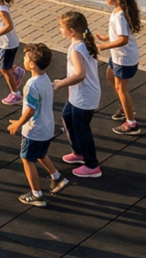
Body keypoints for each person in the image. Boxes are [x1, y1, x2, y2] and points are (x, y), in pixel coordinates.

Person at [6, 43, 70, 207]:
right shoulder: (45, 78)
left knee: (27, 159)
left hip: (34, 130)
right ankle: (56, 177)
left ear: (32, 64)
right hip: (46, 128)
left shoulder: (31, 85)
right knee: (40, 153)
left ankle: (37, 194)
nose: (24, 59)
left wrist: (18, 124)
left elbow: (31, 109)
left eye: (26, 58)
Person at [53, 10, 102, 178]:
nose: (60, 29)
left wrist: (60, 83)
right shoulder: (80, 44)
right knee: (67, 117)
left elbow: (80, 74)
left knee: (82, 128)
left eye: (61, 27)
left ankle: (92, 165)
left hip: (84, 96)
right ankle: (79, 153)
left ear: (72, 31)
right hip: (78, 95)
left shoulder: (77, 48)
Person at [96, 0, 142, 136]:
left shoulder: (120, 15)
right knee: (110, 75)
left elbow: (123, 39)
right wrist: (105, 37)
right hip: (118, 56)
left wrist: (103, 46)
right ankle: (124, 108)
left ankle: (131, 123)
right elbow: (118, 33)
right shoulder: (118, 10)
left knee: (121, 89)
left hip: (124, 58)